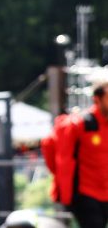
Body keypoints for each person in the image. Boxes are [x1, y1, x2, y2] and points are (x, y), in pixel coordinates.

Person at [53, 71, 108, 228]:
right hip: (86, 194)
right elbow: (55, 151)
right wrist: (65, 193)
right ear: (97, 98)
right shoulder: (79, 124)